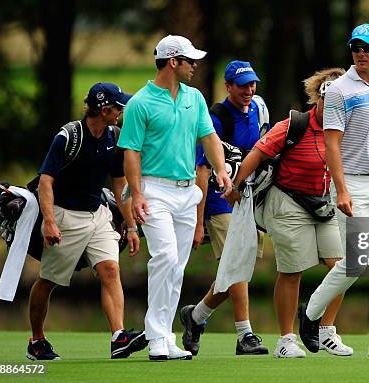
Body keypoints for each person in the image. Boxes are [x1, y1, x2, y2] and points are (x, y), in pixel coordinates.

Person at [297, 24, 369, 357]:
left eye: (367, 47)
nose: (360, 53)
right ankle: (310, 311)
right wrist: (342, 190)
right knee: (356, 261)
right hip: (353, 183)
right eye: (355, 47)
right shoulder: (338, 91)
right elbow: (331, 144)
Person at [118, 35, 232, 361]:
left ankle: (166, 335)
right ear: (173, 61)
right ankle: (155, 336)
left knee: (177, 267)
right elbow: (131, 152)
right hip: (154, 190)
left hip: (186, 193)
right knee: (165, 258)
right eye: (190, 60)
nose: (195, 66)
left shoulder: (193, 98)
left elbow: (208, 137)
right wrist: (136, 193)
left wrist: (221, 170)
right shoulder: (141, 102)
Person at [226, 68, 353, 358]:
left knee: (342, 268)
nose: (332, 108)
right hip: (288, 201)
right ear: (317, 100)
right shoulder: (293, 125)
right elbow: (257, 153)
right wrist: (235, 185)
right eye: (327, 102)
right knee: (292, 270)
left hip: (325, 202)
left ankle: (326, 332)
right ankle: (286, 339)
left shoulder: (346, 128)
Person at [28, 82, 146, 361]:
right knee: (48, 281)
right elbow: (46, 182)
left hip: (98, 214)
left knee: (110, 270)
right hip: (64, 216)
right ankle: (37, 340)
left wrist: (130, 226)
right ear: (103, 109)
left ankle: (118, 337)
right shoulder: (68, 136)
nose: (121, 111)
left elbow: (120, 185)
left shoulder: (114, 137)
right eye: (118, 107)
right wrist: (48, 221)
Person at [179, 60, 269, 356]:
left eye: (252, 84)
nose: (249, 90)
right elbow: (202, 171)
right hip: (219, 202)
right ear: (228, 86)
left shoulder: (258, 109)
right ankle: (245, 334)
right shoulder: (216, 118)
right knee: (238, 264)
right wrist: (198, 219)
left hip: (249, 199)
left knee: (234, 269)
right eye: (242, 85)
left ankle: (196, 317)